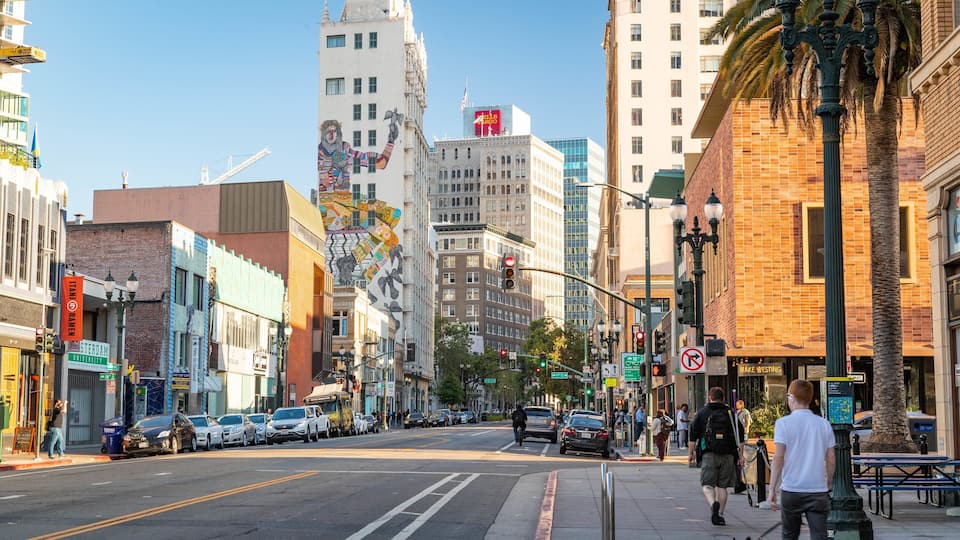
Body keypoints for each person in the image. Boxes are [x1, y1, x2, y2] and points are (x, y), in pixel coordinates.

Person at [768, 380, 835, 540]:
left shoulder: (783, 424)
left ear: (791, 397)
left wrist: (772, 488)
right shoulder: (823, 424)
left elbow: (778, 457)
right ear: (810, 399)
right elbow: (831, 458)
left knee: (790, 535)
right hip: (817, 489)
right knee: (820, 535)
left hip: (792, 488)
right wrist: (829, 480)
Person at [688, 387, 744, 527]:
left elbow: (692, 437)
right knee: (722, 486)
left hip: (709, 454)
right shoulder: (731, 413)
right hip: (728, 455)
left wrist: (691, 454)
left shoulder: (702, 413)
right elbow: (740, 437)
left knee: (707, 485)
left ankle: (713, 504)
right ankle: (720, 515)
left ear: (710, 397)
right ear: (723, 398)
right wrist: (741, 456)